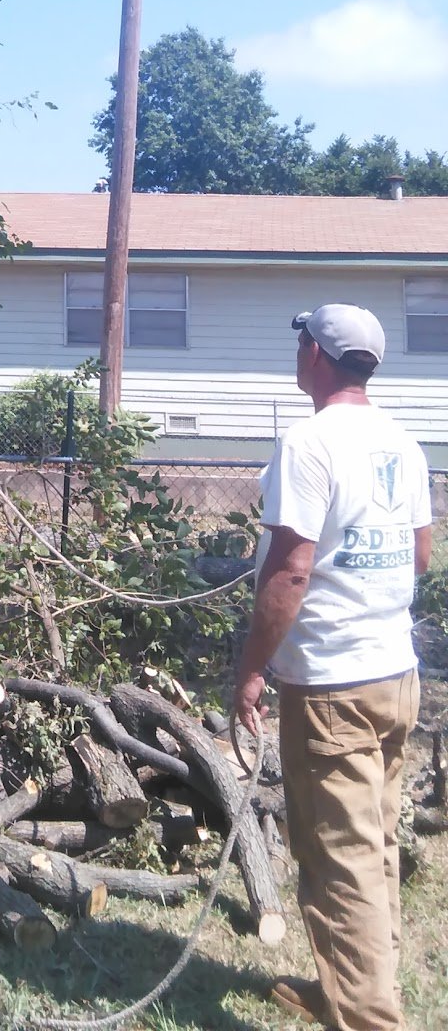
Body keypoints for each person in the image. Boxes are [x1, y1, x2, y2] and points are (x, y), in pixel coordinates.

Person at [233, 304, 433, 1031]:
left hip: (333, 686)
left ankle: (370, 1019)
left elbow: (290, 574)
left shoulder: (310, 442)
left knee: (340, 864)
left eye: (300, 340)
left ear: (316, 353)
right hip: (394, 675)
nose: (297, 350)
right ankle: (348, 991)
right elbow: (418, 555)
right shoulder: (401, 442)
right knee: (373, 848)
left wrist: (251, 673)